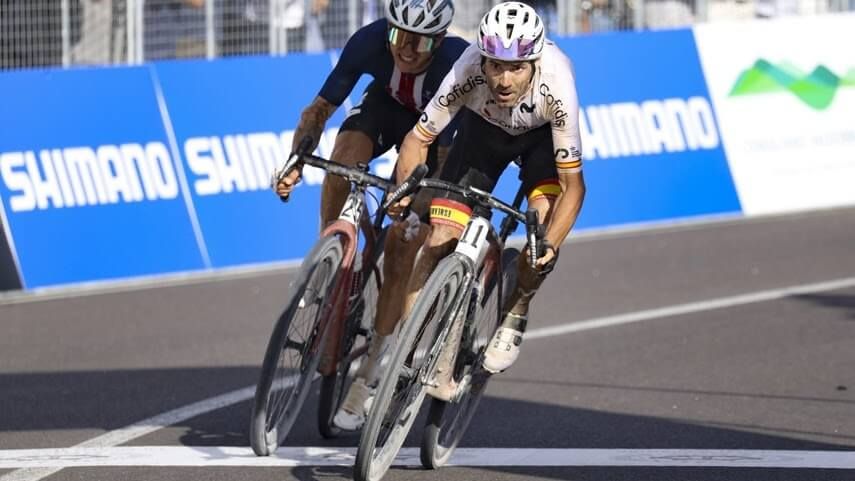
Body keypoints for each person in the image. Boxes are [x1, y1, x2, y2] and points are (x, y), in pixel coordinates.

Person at [273, 0, 466, 430]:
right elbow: (318, 111)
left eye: (421, 41)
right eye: (400, 36)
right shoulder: (370, 40)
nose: (408, 50)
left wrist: (415, 207)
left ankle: (374, 364)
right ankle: (332, 254)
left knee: (403, 241)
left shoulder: (454, 66)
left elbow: (444, 163)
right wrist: (296, 160)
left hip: (437, 138)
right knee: (343, 159)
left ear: (440, 39)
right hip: (386, 109)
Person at [388, 1, 586, 385]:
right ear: (483, 60)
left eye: (516, 68)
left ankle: (516, 310)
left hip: (539, 140)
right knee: (439, 236)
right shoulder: (466, 69)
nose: (504, 80)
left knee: (540, 228)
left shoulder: (558, 84)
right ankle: (405, 353)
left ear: (534, 63)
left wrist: (551, 244)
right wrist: (404, 190)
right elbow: (418, 139)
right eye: (496, 66)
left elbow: (574, 186)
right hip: (483, 133)